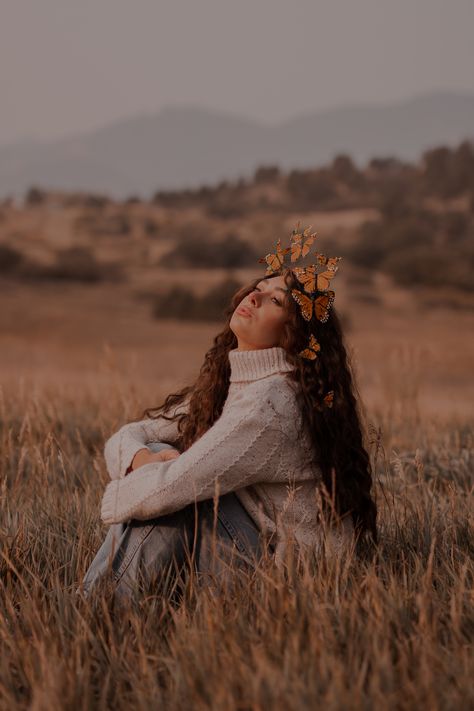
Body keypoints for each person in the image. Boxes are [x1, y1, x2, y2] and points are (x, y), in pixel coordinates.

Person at [81, 226, 377, 601]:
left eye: (275, 300)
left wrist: (136, 487)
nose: (255, 295)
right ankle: (110, 598)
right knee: (162, 456)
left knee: (184, 492)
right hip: (246, 539)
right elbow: (131, 433)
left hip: (285, 580)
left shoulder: (273, 402)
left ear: (295, 335)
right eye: (261, 286)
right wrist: (143, 459)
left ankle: (98, 604)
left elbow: (171, 489)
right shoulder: (235, 381)